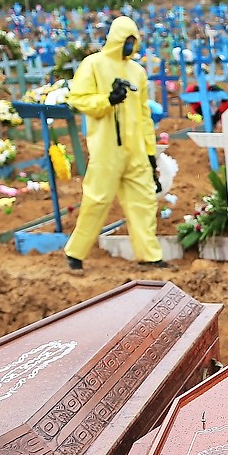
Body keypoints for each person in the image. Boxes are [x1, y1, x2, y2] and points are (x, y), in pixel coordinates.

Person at [64, 15, 166, 272]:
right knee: (97, 200)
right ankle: (75, 253)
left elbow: (144, 116)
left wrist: (150, 153)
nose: (130, 46)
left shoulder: (137, 72)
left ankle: (150, 256)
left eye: (134, 41)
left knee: (143, 202)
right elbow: (78, 98)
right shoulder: (94, 64)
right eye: (126, 40)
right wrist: (107, 100)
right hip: (107, 148)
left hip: (136, 151)